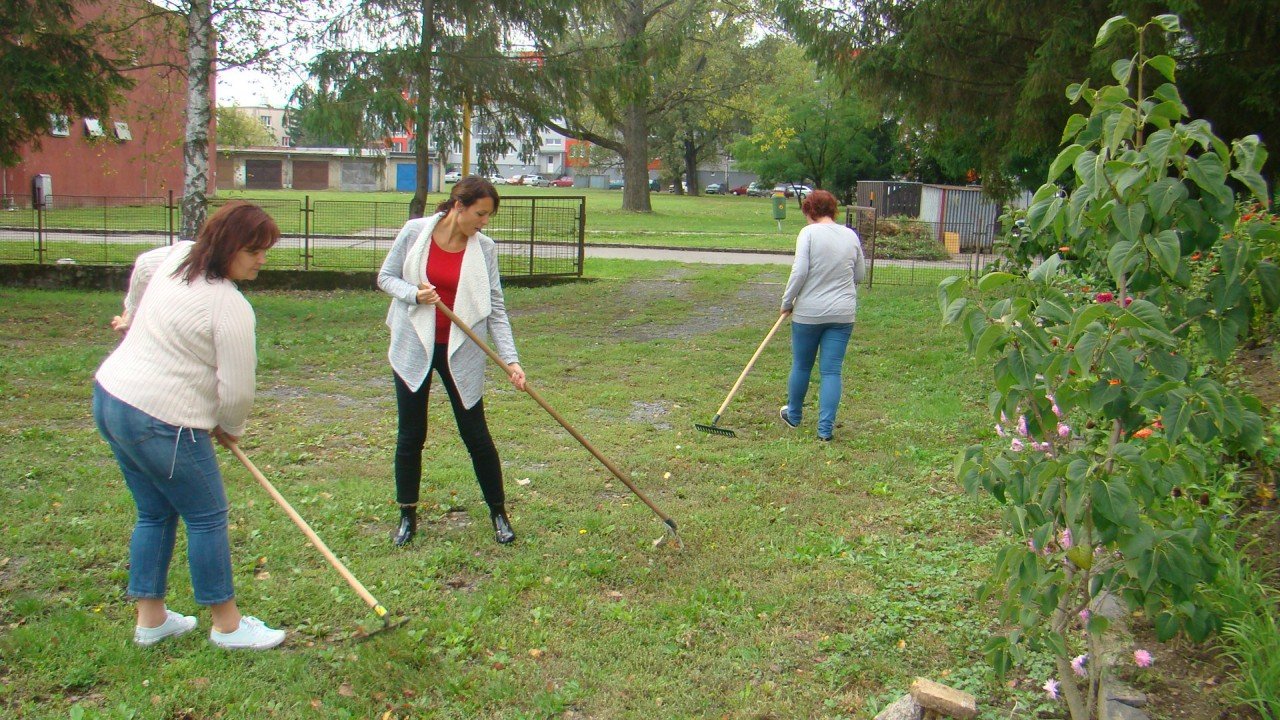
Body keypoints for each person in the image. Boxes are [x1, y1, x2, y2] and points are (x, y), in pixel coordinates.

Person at [93, 201, 287, 650]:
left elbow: (143, 265)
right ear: (226, 246)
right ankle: (228, 625)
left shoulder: (179, 256)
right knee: (206, 516)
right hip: (161, 420)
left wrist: (132, 312)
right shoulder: (229, 307)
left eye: (265, 251)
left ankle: (152, 620)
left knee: (156, 511)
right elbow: (237, 389)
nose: (262, 260)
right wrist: (230, 426)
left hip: (111, 400)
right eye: (253, 250)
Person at [378, 177, 526, 547]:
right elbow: (385, 277)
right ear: (458, 206)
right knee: (411, 435)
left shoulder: (484, 249)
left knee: (476, 434)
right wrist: (414, 294)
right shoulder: (415, 233)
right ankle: (407, 515)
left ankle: (498, 512)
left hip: (461, 350)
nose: (484, 222)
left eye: (489, 215)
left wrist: (511, 360)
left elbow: (495, 309)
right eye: (480, 213)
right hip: (415, 345)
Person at [777, 189, 866, 442]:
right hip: (843, 314)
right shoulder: (851, 235)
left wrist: (786, 301)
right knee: (831, 371)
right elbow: (859, 275)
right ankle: (824, 431)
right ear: (833, 210)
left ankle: (794, 415)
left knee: (802, 365)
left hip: (809, 313)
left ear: (809, 210)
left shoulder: (808, 233)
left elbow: (799, 271)